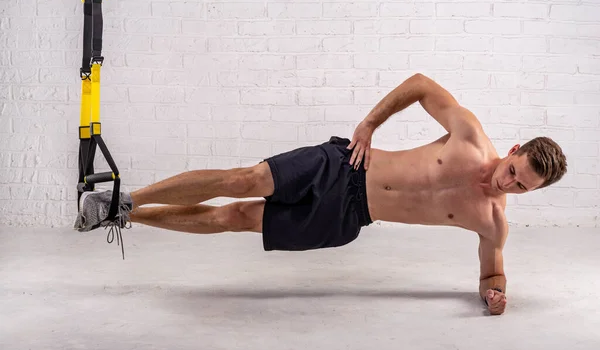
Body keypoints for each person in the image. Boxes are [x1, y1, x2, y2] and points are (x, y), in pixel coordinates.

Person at [74, 73, 567, 316]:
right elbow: (420, 85)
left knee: (237, 219)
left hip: (349, 219)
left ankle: (121, 216)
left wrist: (494, 294)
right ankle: (126, 197)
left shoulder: (492, 221)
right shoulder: (470, 135)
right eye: (513, 170)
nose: (507, 183)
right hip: (344, 165)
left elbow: (492, 271)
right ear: (514, 149)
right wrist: (370, 123)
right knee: (241, 180)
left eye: (521, 187)